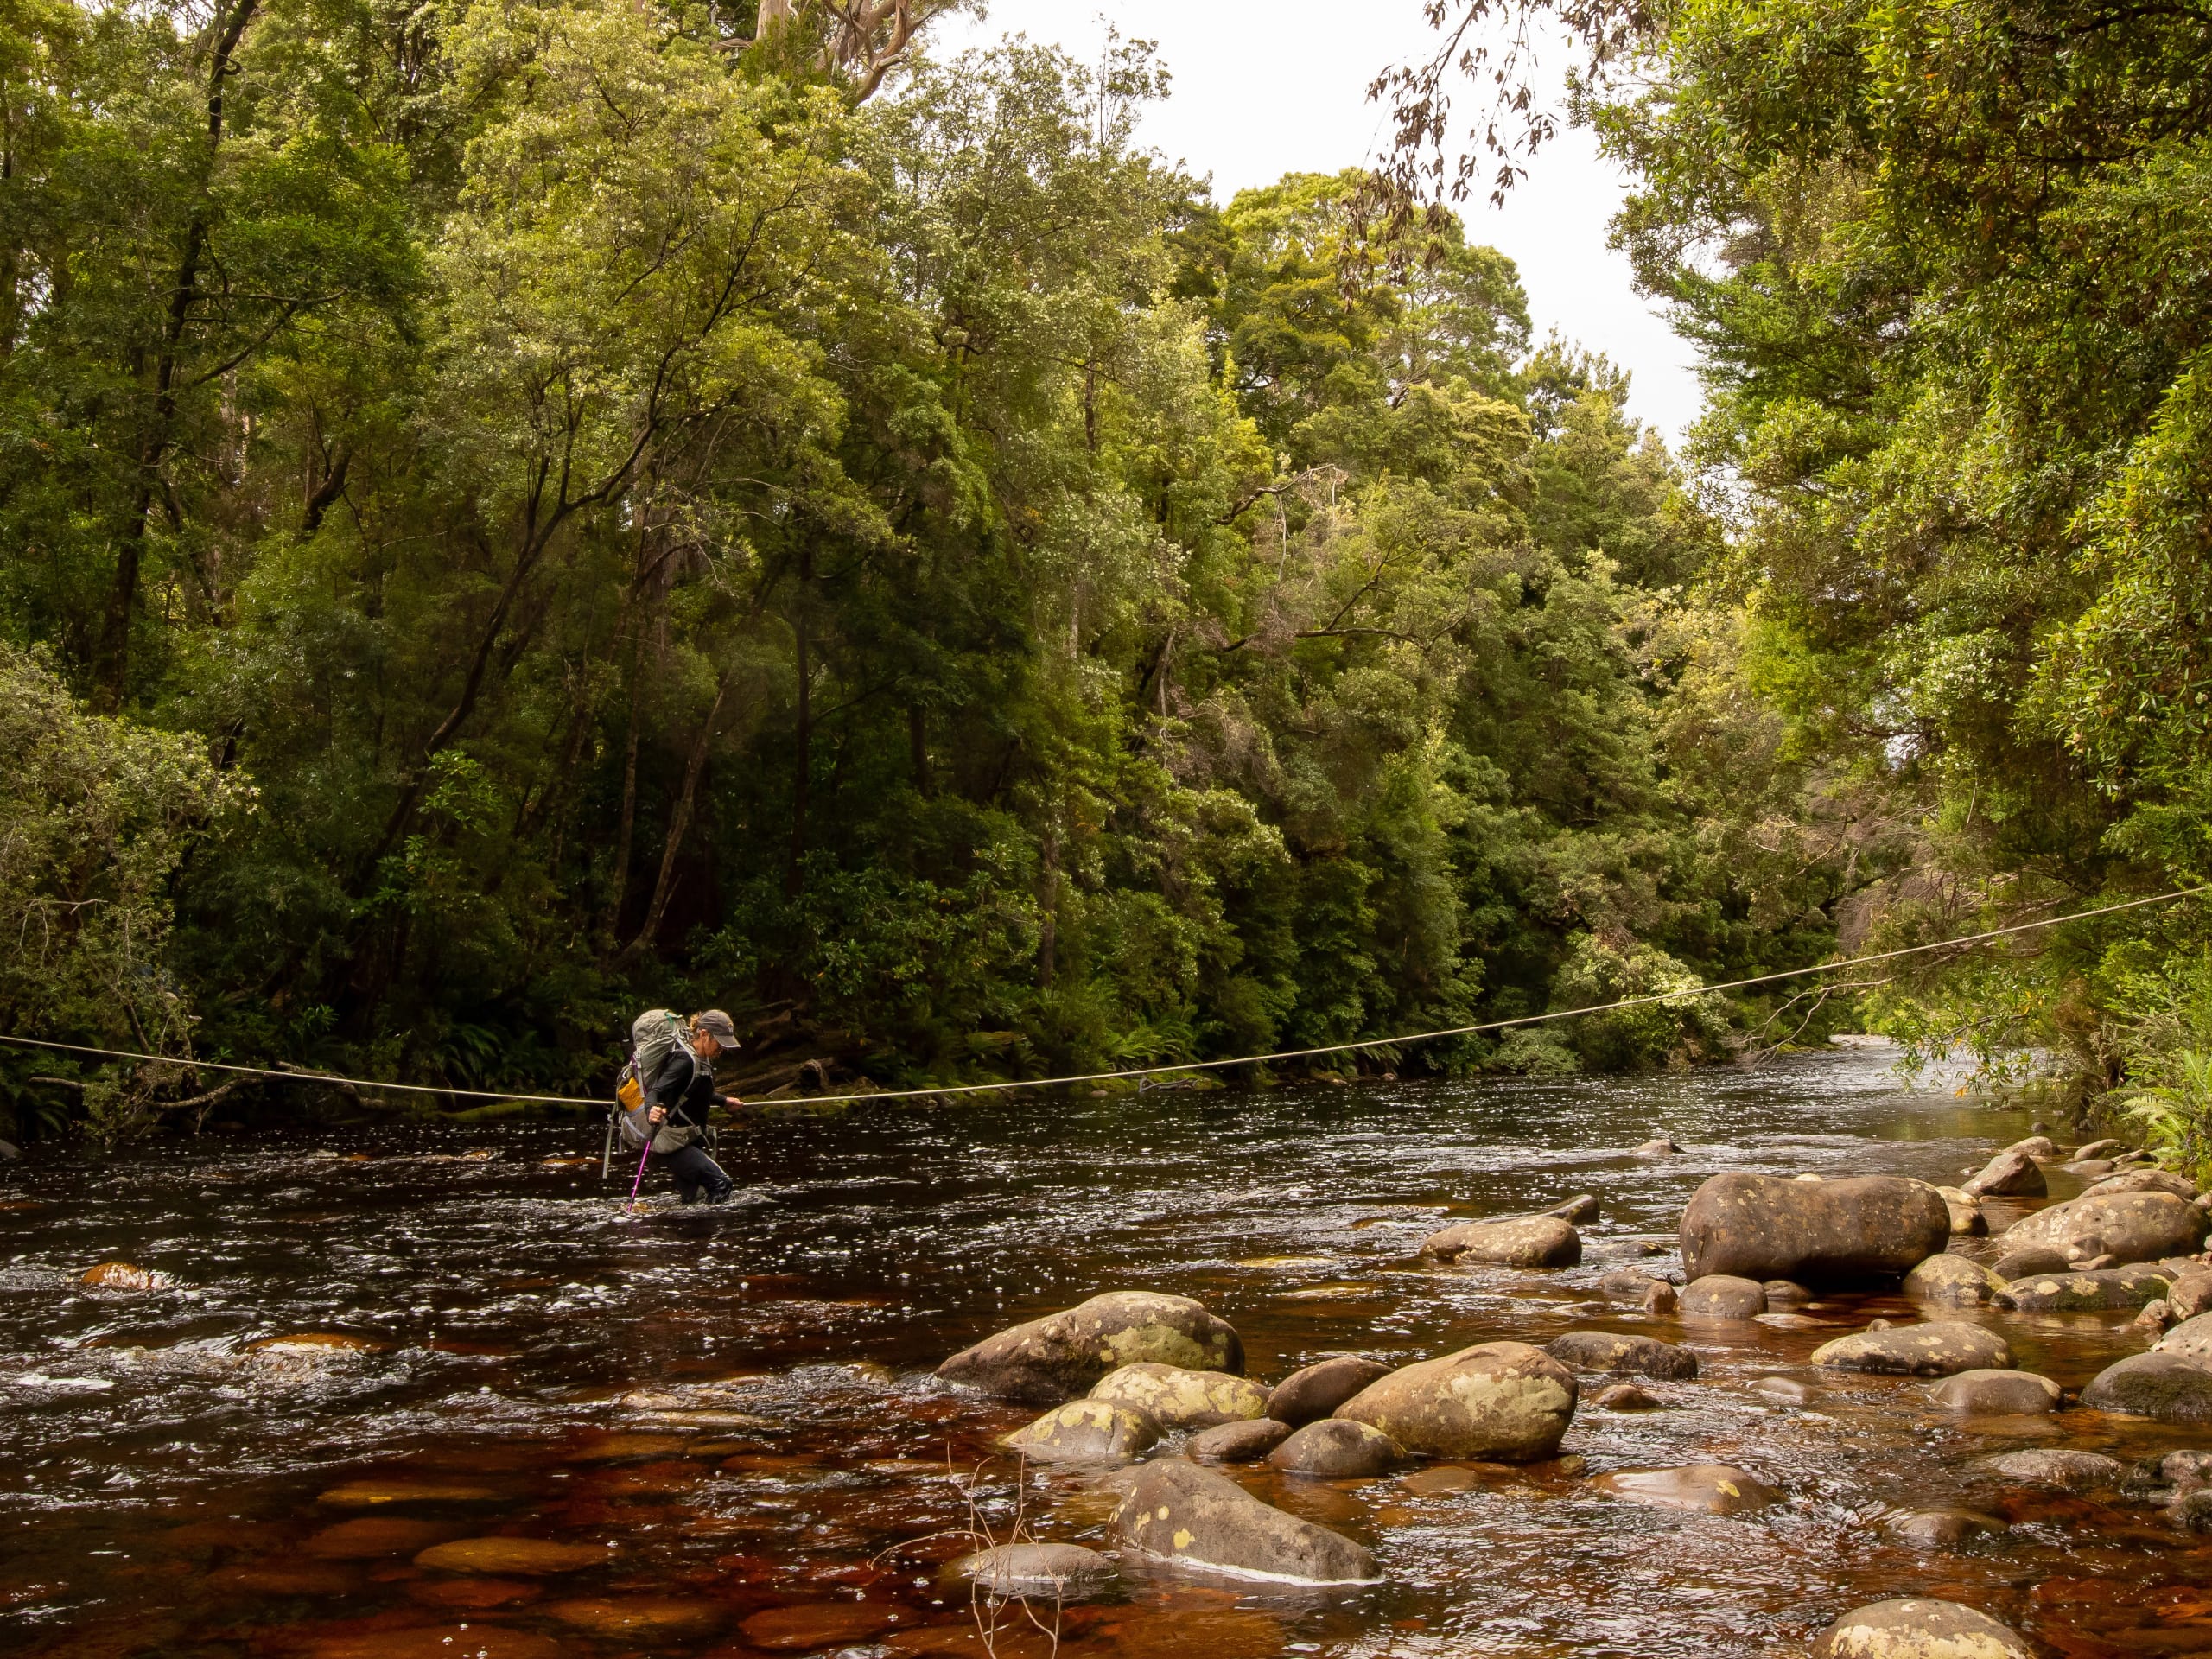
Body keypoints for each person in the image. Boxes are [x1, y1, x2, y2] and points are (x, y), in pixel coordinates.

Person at [622, 1009, 744, 1205]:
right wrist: (651, 1109)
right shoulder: (684, 1060)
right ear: (704, 1034)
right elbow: (656, 1092)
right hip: (672, 1142)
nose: (723, 1049)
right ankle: (718, 1232)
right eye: (719, 1043)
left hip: (686, 1139)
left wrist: (723, 1101)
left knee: (694, 1200)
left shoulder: (700, 1060)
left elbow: (694, 1091)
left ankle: (691, 1232)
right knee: (721, 1183)